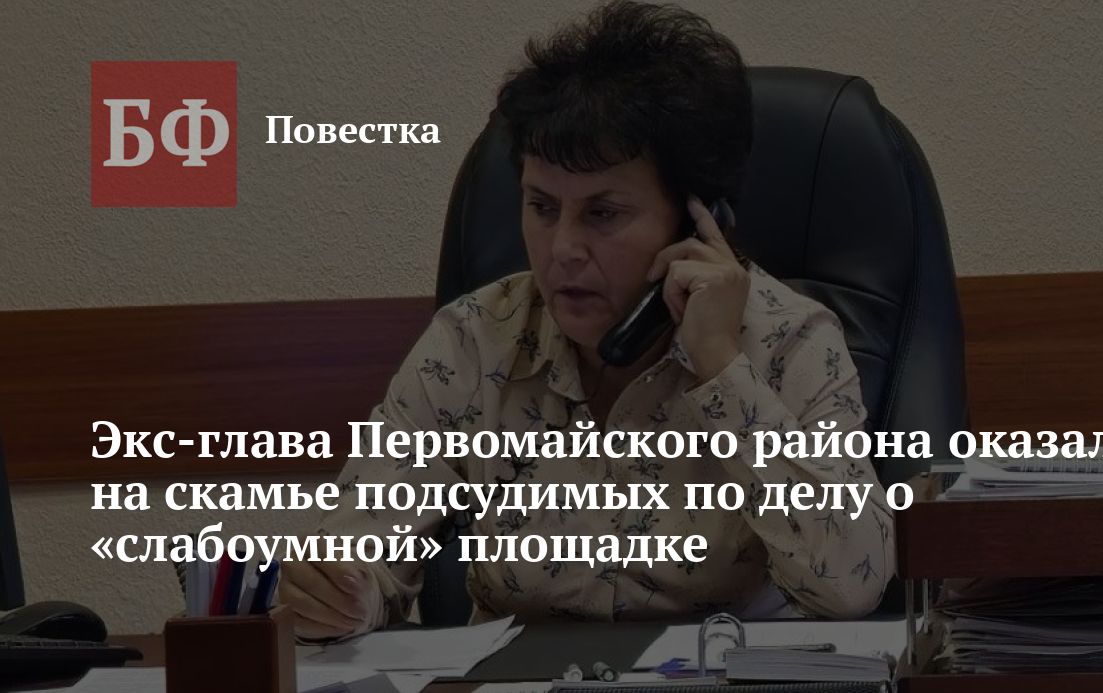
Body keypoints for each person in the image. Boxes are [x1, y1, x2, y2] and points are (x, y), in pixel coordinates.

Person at [278, 0, 894, 640]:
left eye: (602, 214)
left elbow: (853, 585)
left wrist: (721, 368)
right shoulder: (473, 341)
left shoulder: (787, 342)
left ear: (695, 221)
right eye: (542, 207)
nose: (563, 249)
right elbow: (359, 548)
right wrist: (341, 593)